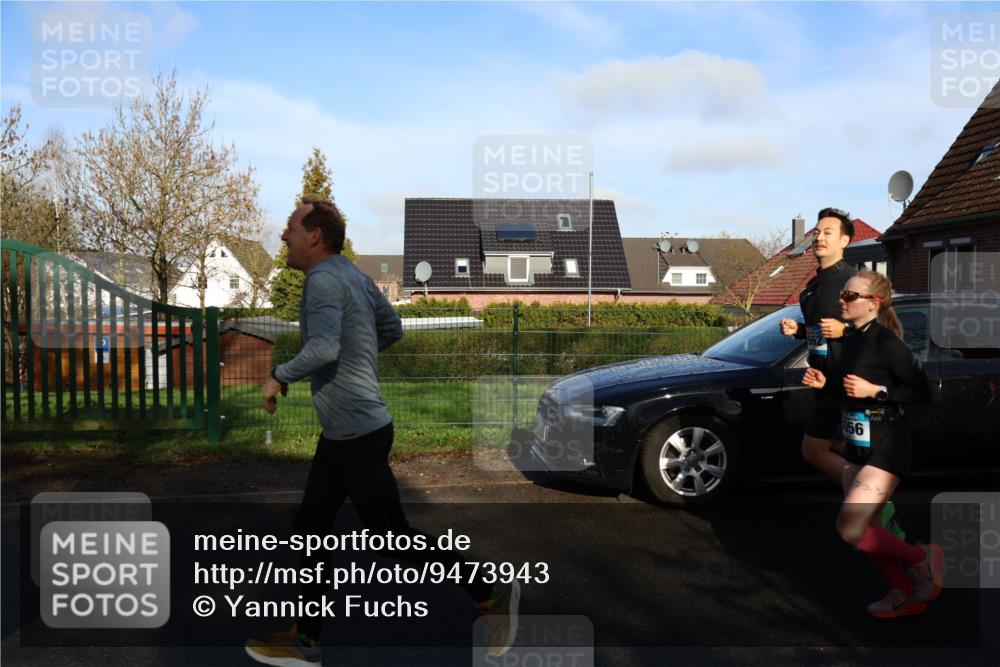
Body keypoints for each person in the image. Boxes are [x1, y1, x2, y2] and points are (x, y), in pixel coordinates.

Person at [246, 199, 519, 666]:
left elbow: (324, 347)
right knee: (310, 530)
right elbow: (390, 327)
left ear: (315, 235)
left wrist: (279, 376)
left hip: (356, 434)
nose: (284, 235)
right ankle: (305, 640)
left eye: (291, 227)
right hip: (346, 434)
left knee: (392, 539)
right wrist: (361, 355)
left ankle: (490, 591)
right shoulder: (354, 276)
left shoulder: (322, 279)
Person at [802, 270, 943, 618]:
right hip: (856, 444)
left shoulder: (886, 342)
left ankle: (922, 558)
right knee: (873, 530)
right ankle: (906, 594)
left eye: (850, 296)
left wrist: (876, 391)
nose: (842, 300)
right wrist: (824, 385)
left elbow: (921, 393)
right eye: (843, 295)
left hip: (887, 443)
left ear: (873, 303)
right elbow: (844, 391)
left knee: (851, 529)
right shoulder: (849, 339)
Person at [781, 208, 905, 538]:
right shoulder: (816, 283)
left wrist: (846, 330)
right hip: (826, 381)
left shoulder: (849, 282)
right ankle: (870, 503)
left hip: (847, 381)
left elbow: (878, 324)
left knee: (814, 449)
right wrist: (799, 330)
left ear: (845, 241)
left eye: (828, 232)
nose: (818, 237)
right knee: (838, 446)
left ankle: (875, 503)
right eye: (816, 232)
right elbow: (821, 330)